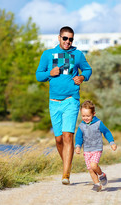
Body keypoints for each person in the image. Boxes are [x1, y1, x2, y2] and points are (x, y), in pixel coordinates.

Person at [36, 26, 92, 185]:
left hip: (71, 100)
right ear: (59, 38)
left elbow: (88, 70)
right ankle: (67, 163)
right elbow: (38, 75)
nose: (68, 42)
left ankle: (66, 174)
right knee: (59, 139)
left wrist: (82, 77)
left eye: (71, 39)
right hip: (54, 102)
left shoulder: (77, 54)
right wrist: (49, 74)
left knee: (68, 136)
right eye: (65, 38)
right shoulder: (48, 55)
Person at [75, 100, 117, 192]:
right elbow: (78, 137)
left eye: (88, 116)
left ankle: (102, 175)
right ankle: (97, 184)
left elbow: (106, 132)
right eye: (83, 116)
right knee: (90, 169)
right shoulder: (81, 126)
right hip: (87, 150)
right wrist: (78, 146)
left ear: (93, 114)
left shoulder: (98, 123)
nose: (85, 118)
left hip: (97, 148)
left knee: (94, 166)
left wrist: (112, 142)